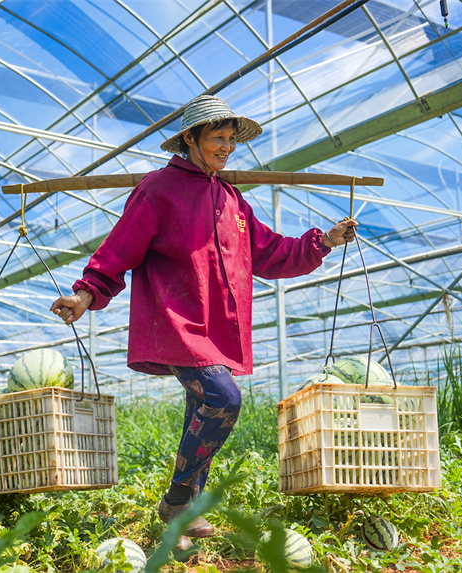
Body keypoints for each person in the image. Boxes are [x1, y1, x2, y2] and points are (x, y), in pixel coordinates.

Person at [50, 94, 357, 543]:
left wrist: (324, 241)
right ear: (190, 139)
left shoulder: (232, 199)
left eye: (232, 139)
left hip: (217, 330)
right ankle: (177, 499)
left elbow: (270, 252)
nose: (227, 147)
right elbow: (120, 248)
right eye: (218, 138)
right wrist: (85, 294)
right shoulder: (157, 190)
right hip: (176, 322)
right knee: (222, 399)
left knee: (203, 412)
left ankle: (184, 514)